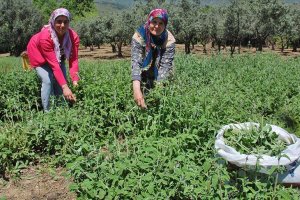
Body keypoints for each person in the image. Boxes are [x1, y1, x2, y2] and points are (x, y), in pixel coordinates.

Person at [26, 8, 79, 112]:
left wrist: (75, 81)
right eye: (59, 21)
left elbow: (73, 60)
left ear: (69, 22)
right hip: (38, 54)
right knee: (48, 80)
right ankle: (49, 112)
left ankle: (62, 110)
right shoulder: (45, 37)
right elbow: (54, 65)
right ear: (53, 21)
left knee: (61, 81)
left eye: (65, 22)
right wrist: (65, 88)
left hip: (58, 56)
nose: (62, 25)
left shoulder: (74, 37)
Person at [131, 8, 176, 109]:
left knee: (161, 101)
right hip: (144, 68)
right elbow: (136, 62)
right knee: (140, 94)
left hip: (161, 69)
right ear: (149, 21)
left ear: (165, 25)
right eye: (154, 22)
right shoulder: (139, 35)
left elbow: (165, 66)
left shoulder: (169, 39)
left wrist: (158, 92)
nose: (157, 26)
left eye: (161, 23)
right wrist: (136, 90)